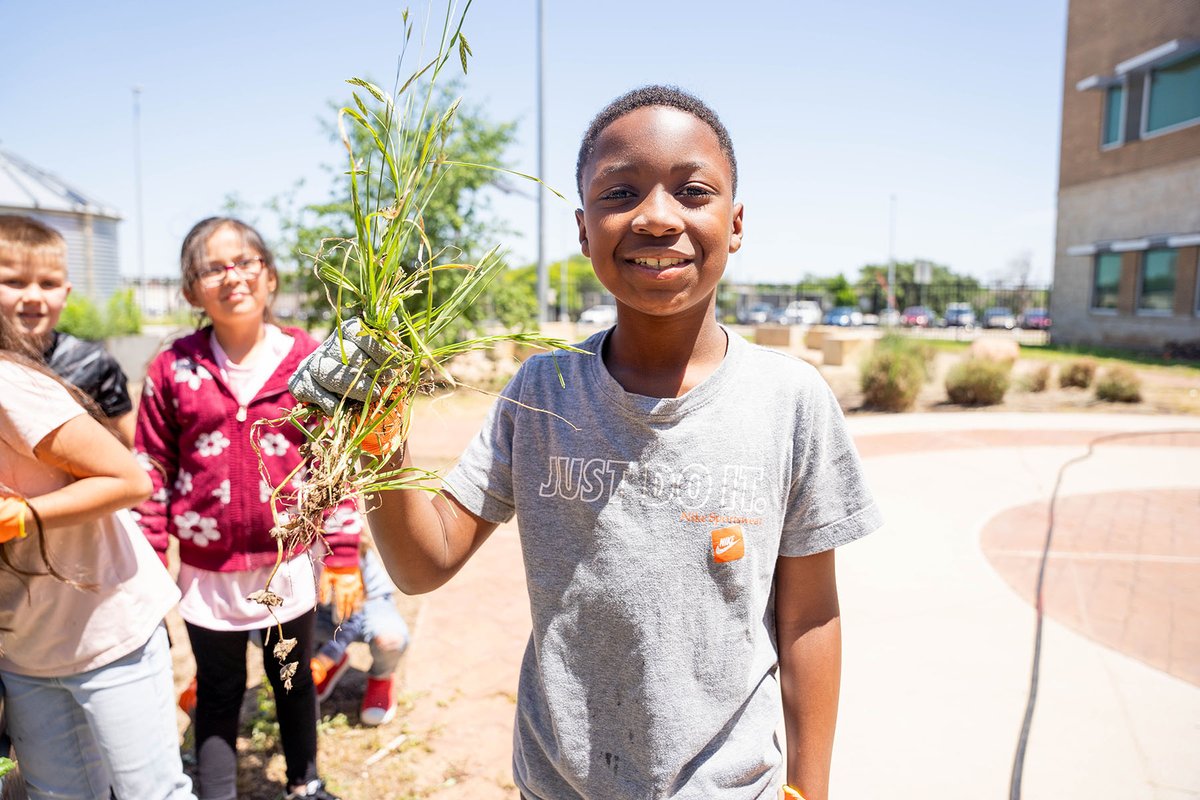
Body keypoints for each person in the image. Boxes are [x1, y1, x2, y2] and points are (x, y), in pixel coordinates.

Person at [291, 86, 883, 800]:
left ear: (736, 223)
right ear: (582, 228)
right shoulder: (544, 391)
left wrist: (810, 790)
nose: (658, 216)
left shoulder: (790, 401)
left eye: (693, 191)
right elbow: (424, 563)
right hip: (560, 783)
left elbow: (809, 613)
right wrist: (376, 433)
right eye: (621, 192)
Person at [134, 217, 363, 800]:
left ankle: (304, 783)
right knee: (216, 686)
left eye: (244, 262)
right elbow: (152, 472)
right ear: (191, 290)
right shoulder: (173, 369)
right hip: (206, 573)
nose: (231, 276)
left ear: (269, 276)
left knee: (291, 679)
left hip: (288, 562)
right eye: (213, 267)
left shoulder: (311, 361)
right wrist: (149, 561)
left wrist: (340, 555)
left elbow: (334, 465)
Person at [0, 310, 192, 799]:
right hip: (24, 650)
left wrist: (18, 517)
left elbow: (130, 480)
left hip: (109, 631)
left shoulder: (11, 388)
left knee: (150, 793)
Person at [0, 215, 136, 446]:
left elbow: (131, 447)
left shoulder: (93, 364)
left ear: (66, 292)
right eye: (15, 282)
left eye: (48, 284)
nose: (34, 297)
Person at [311, 546, 409, 726]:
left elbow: (351, 620)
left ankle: (381, 678)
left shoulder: (340, 539)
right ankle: (330, 660)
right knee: (265, 632)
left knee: (390, 641)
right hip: (323, 607)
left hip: (367, 603)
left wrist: (323, 660)